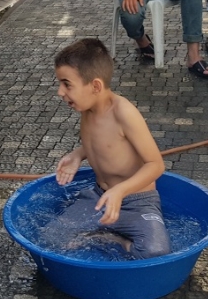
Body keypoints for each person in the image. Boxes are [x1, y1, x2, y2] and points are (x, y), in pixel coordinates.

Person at [50, 38, 171, 259]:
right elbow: (102, 143)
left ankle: (115, 239)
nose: (60, 91)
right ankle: (102, 230)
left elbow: (156, 165)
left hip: (137, 203)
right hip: (100, 197)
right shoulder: (87, 109)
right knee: (51, 239)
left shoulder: (123, 113)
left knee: (155, 251)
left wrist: (120, 190)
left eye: (67, 84)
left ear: (95, 86)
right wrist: (77, 155)